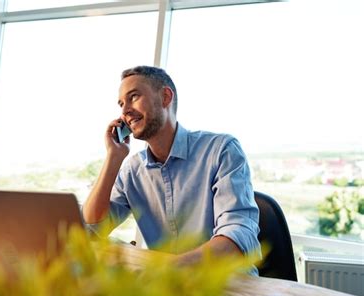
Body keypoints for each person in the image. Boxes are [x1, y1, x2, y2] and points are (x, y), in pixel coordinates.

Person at [82, 65, 260, 271]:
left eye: (134, 97)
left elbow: (238, 235)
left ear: (166, 97)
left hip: (226, 285)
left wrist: (170, 269)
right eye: (121, 103)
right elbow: (92, 227)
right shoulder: (132, 170)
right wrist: (113, 157)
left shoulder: (221, 150)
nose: (124, 111)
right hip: (167, 290)